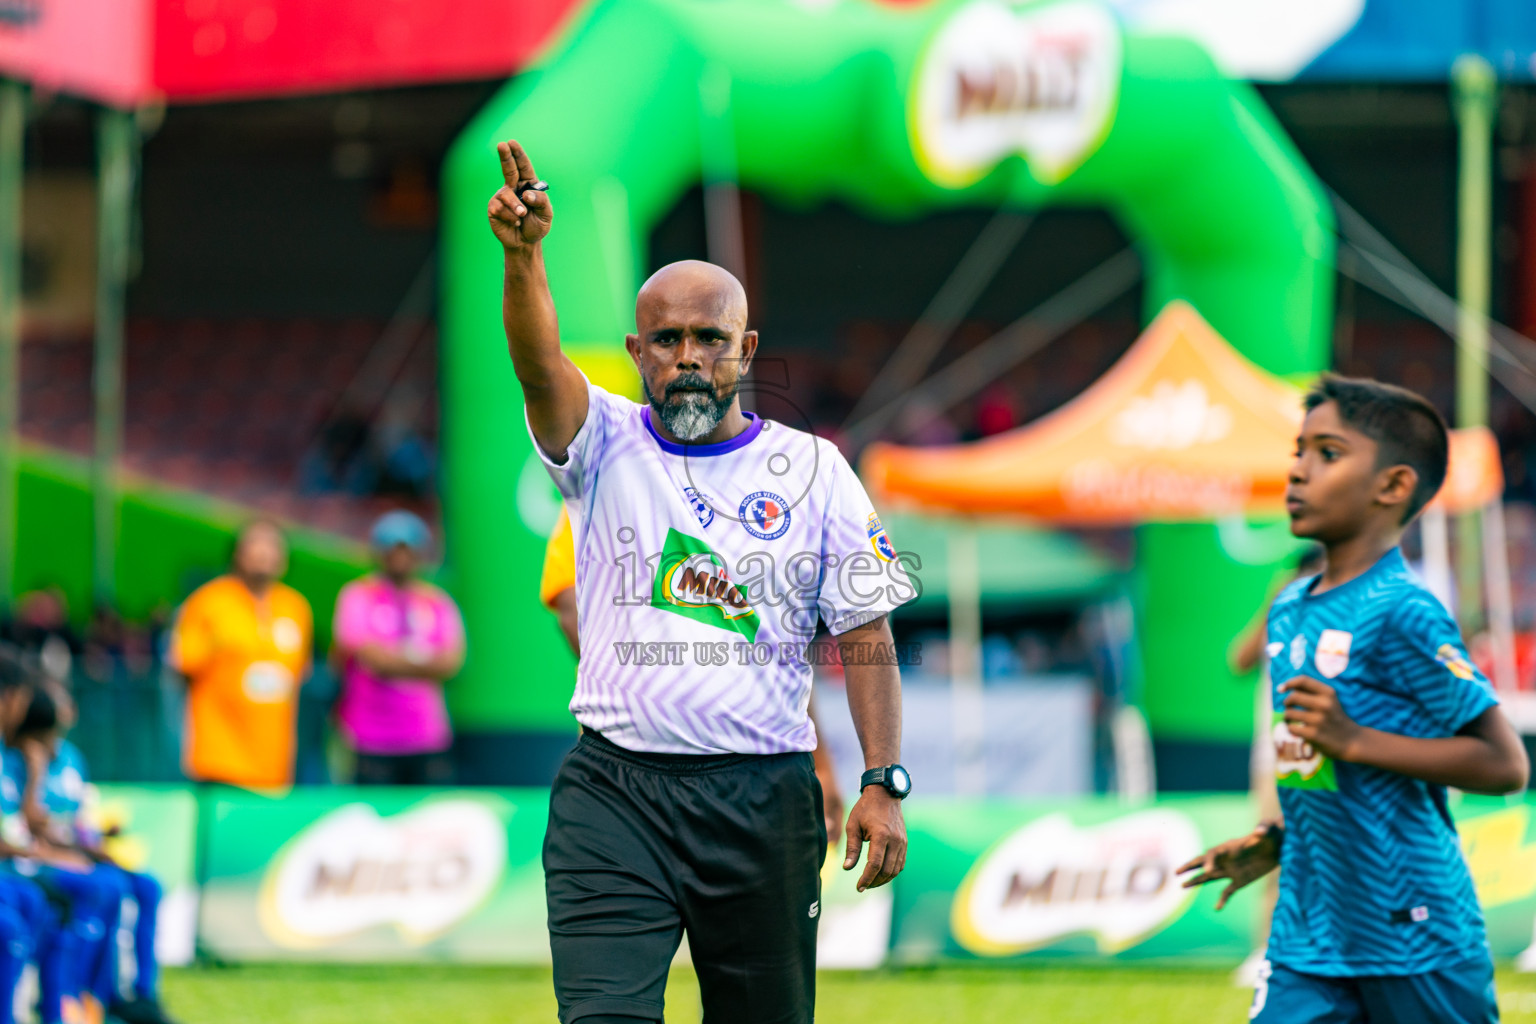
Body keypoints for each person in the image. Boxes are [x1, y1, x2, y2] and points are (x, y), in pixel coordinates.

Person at [492, 139, 911, 1023]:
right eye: (669, 339)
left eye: (710, 338)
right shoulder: (600, 439)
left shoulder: (817, 469)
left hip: (763, 800)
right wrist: (524, 256)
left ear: (746, 347)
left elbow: (866, 636)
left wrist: (882, 778)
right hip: (615, 795)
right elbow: (538, 365)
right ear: (639, 349)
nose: (689, 357)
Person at [1179, 375, 1530, 1024]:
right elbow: (1314, 768)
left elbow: (1504, 764)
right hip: (1309, 937)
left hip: (1415, 934)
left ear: (1393, 487)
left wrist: (1356, 739)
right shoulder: (1287, 609)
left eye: (1328, 454)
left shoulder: (1405, 611)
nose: (1298, 471)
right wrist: (1273, 839)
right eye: (1299, 450)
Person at [540, 506, 846, 845]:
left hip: (748, 776)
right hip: (630, 769)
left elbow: (775, 650)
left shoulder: (748, 506)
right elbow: (572, 607)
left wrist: (821, 764)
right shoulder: (609, 479)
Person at [18, 683, 176, 1024]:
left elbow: (76, 819)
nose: (69, 708)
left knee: (148, 886)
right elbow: (29, 825)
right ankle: (78, 997)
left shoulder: (72, 757)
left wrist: (97, 840)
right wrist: (77, 849)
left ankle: (139, 993)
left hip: (79, 851)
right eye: (61, 701)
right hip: (41, 860)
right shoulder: (22, 758)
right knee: (105, 888)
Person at [168, 519, 313, 788]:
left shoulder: (296, 608)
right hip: (220, 761)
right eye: (255, 544)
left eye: (272, 545)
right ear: (237, 553)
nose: (263, 552)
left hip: (275, 766)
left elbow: (299, 673)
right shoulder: (208, 602)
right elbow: (183, 663)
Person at [331, 511, 466, 785]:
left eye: (407, 549)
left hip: (427, 736)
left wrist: (394, 660)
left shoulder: (437, 602)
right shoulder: (358, 596)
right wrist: (424, 663)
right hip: (370, 737)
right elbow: (371, 658)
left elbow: (451, 662)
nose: (400, 557)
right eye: (392, 549)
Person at [0, 653, 81, 1024]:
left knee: (39, 903)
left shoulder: (30, 756)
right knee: (14, 920)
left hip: (17, 867)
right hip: (17, 866)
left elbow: (31, 822)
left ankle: (62, 1009)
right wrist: (46, 854)